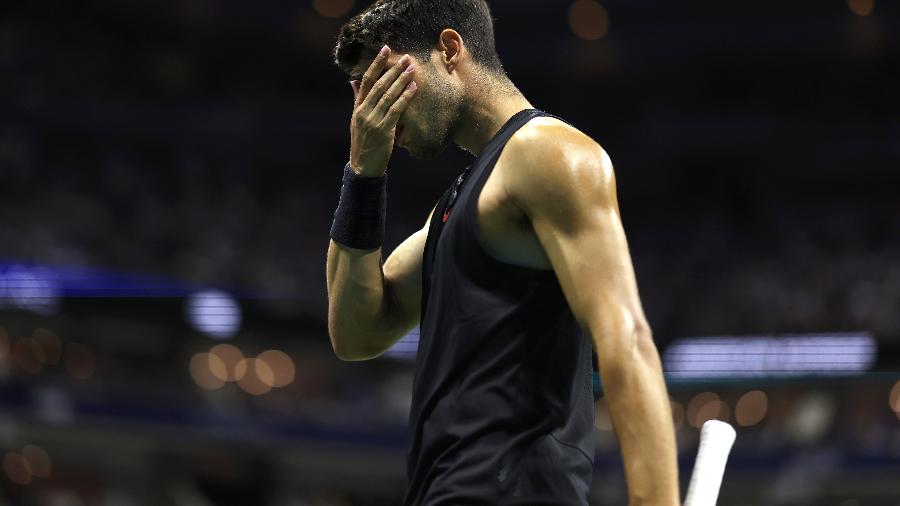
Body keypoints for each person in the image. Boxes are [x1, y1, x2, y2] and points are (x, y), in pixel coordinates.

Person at [325, 1, 678, 504]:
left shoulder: (550, 154)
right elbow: (355, 331)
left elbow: (627, 341)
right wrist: (363, 174)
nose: (368, 110)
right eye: (360, 90)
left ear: (449, 50)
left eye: (382, 80)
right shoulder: (459, 203)